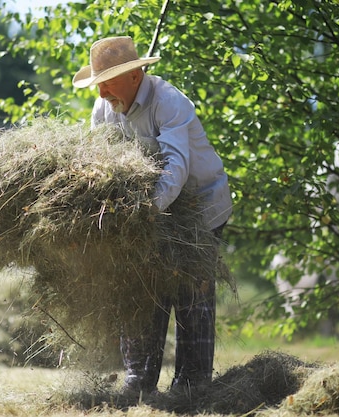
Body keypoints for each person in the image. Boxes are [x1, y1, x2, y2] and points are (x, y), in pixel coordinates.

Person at [72, 36, 232, 395]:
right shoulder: (104, 110)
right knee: (141, 288)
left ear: (134, 75)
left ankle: (192, 386)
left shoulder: (170, 102)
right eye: (98, 85)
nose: (101, 95)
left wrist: (143, 214)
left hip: (200, 206)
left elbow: (176, 168)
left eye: (108, 84)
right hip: (149, 212)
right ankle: (139, 380)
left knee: (191, 290)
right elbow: (101, 164)